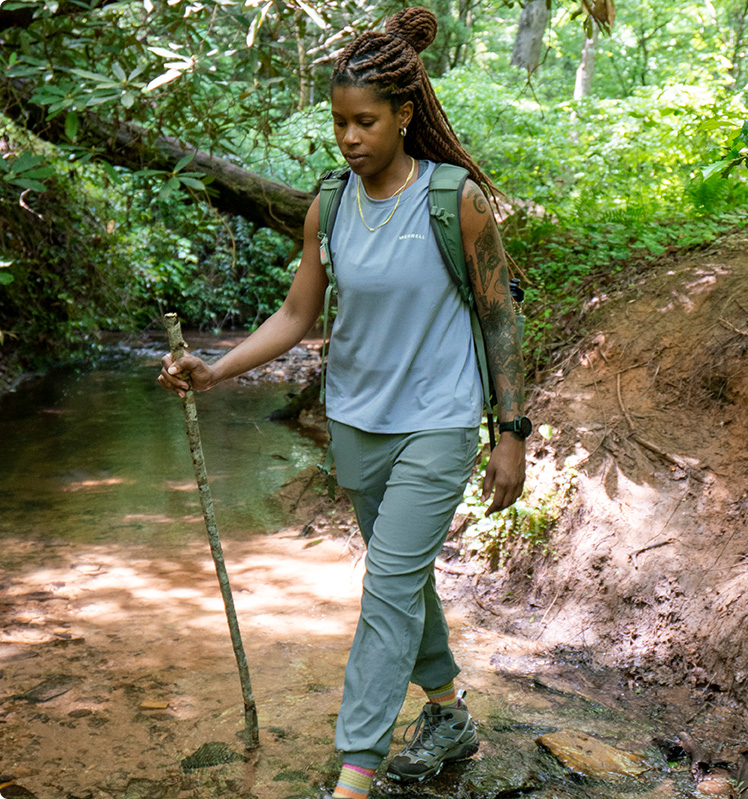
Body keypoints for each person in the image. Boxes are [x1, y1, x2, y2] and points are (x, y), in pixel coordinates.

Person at [158, 6, 529, 798]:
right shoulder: (329, 203)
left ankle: (353, 774)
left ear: (404, 115)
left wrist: (511, 431)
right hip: (356, 425)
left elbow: (500, 314)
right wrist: (213, 370)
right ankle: (446, 709)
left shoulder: (454, 199)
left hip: (438, 423)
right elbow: (296, 315)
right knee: (403, 580)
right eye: (339, 123)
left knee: (387, 588)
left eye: (366, 121)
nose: (350, 137)